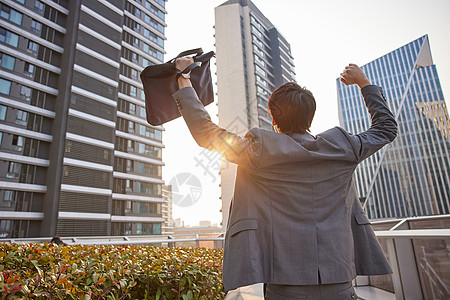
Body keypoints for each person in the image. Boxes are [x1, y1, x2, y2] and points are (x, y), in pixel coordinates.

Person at [172, 57, 397, 299]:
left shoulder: (261, 150)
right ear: (310, 116)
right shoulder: (343, 146)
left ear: (274, 119)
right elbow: (386, 128)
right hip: (340, 282)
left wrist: (183, 79)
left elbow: (207, 133)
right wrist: (364, 83)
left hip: (285, 285)